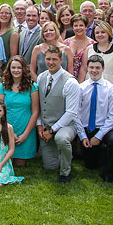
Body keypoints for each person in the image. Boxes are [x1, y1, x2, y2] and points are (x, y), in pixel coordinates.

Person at [35, 46, 80, 183]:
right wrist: (39, 126)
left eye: (55, 59)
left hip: (66, 125)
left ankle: (65, 172)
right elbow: (39, 105)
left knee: (61, 139)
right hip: (46, 125)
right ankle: (62, 154)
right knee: (50, 166)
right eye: (48, 59)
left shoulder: (71, 82)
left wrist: (52, 130)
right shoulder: (41, 77)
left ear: (61, 60)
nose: (51, 62)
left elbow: (71, 113)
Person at [76, 55, 113, 182]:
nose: (94, 70)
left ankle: (108, 173)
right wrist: (82, 136)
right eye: (91, 67)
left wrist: (99, 136)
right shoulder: (81, 88)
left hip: (104, 128)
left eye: (97, 67)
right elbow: (77, 114)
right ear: (87, 68)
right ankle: (97, 156)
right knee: (91, 165)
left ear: (103, 69)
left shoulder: (112, 89)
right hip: (87, 129)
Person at [0, 55, 38, 166]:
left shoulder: (32, 87)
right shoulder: (3, 86)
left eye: (19, 67)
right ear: (9, 69)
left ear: (24, 69)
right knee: (6, 161)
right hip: (7, 126)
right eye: (13, 67)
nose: (16, 70)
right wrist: (9, 131)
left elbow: (35, 112)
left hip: (25, 127)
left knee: (20, 163)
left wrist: (25, 134)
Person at [80, 22, 113, 86]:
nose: (100, 35)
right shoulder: (89, 49)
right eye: (97, 33)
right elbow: (83, 70)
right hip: (89, 87)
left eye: (103, 32)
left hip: (108, 88)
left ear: (109, 33)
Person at [64, 14, 94, 82]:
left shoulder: (92, 44)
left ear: (86, 26)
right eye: (75, 26)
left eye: (81, 25)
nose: (78, 28)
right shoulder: (66, 42)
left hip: (86, 80)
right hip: (67, 79)